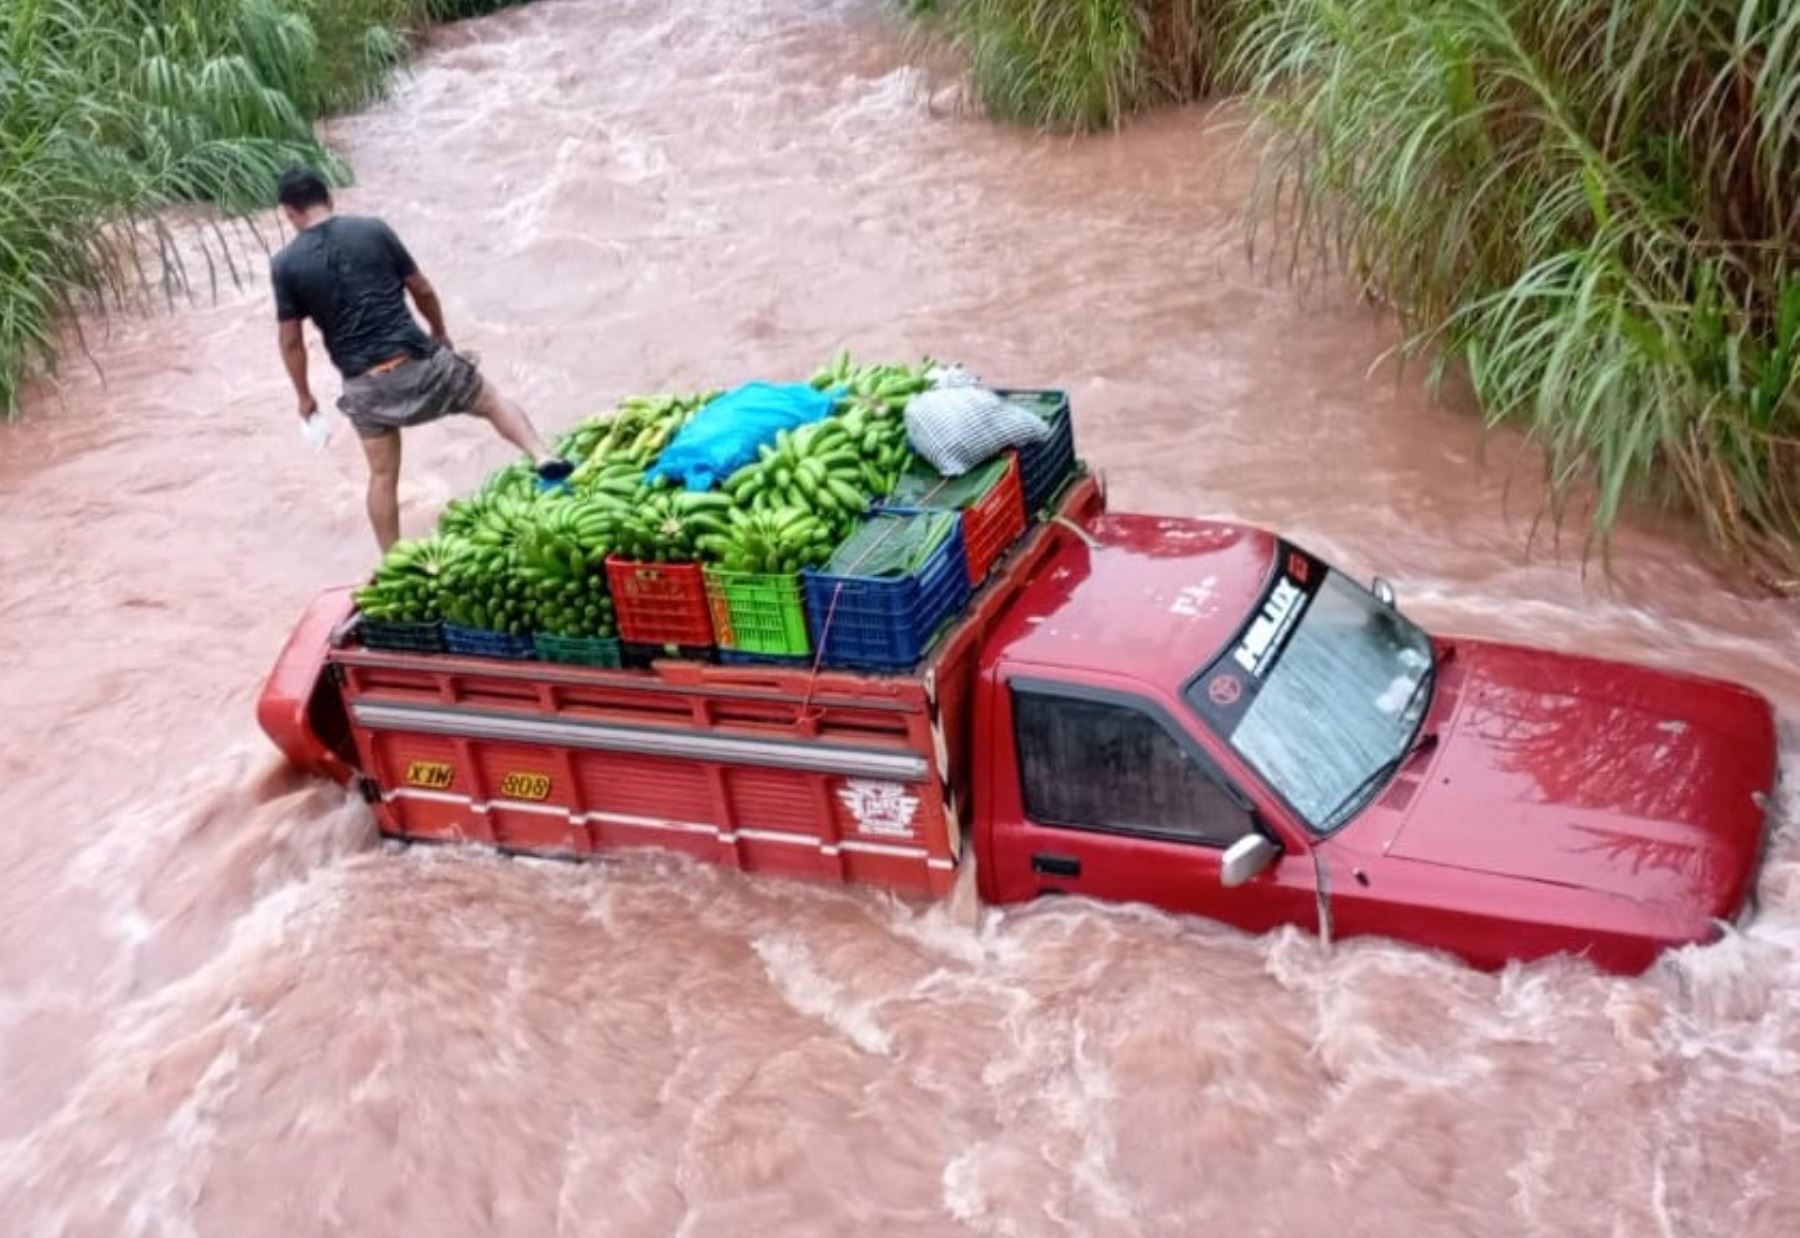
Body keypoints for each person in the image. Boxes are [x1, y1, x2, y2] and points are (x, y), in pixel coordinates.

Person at [270, 167, 570, 550]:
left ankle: (394, 561)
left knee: (381, 476)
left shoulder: (285, 265)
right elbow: (421, 288)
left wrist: (304, 396)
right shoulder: (373, 230)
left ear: (289, 212)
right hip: (419, 361)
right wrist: (440, 333)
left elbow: (291, 340)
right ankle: (542, 454)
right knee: (491, 401)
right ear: (328, 199)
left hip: (365, 387)